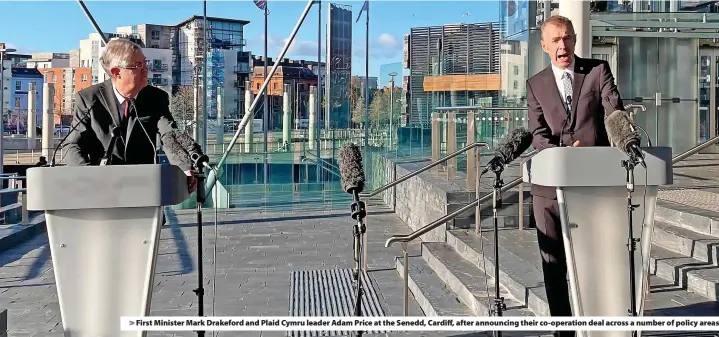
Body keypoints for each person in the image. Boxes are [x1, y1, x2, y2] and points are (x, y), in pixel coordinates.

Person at [526, 15, 624, 337]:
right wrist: (560, 151)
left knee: (593, 264)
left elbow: (614, 111)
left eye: (566, 37)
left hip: (592, 186)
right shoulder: (535, 84)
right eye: (555, 40)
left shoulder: (597, 72)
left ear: (575, 38)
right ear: (544, 47)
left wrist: (625, 136)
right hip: (549, 189)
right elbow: (537, 134)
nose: (562, 45)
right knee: (554, 270)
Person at [62, 38, 197, 192]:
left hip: (144, 190)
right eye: (138, 66)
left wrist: (184, 166)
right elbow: (71, 145)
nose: (146, 69)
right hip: (103, 190)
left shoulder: (156, 98)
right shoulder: (88, 99)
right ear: (116, 72)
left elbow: (169, 135)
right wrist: (88, 177)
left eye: (145, 63)